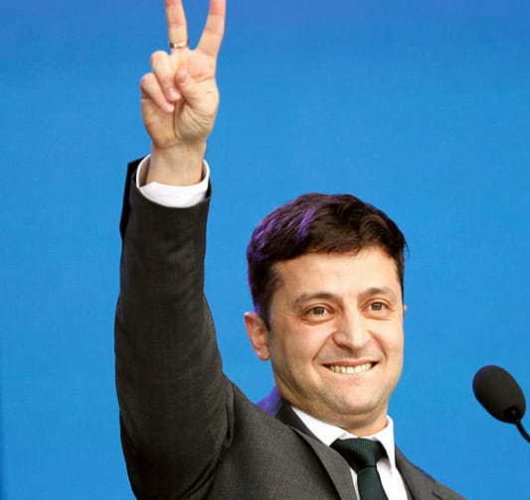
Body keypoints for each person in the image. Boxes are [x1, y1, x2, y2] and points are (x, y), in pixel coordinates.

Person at [115, 1, 463, 498]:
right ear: (260, 335)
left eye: (376, 306)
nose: (354, 336)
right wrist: (177, 158)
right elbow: (163, 327)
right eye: (319, 310)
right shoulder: (212, 454)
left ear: (401, 318)